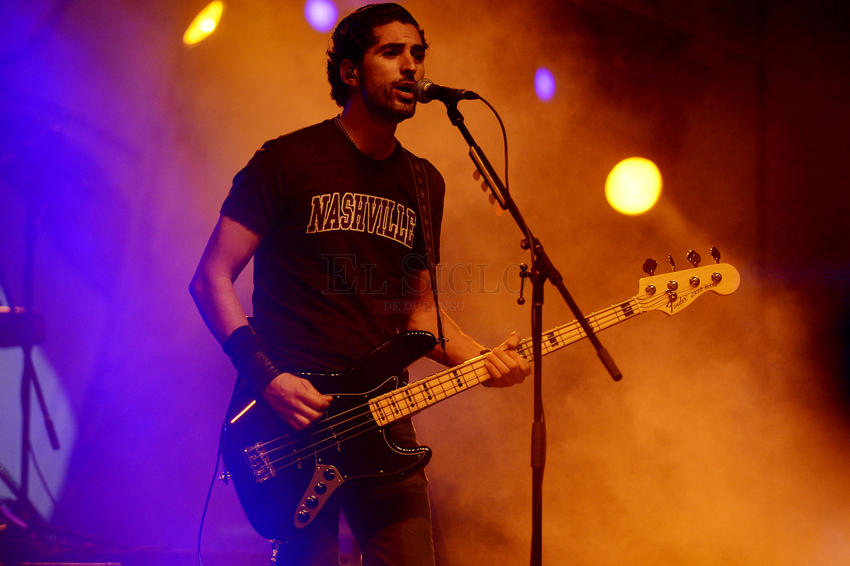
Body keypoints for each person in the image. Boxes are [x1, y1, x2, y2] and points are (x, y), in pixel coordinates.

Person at [189, 3, 529, 565]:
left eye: (417, 53)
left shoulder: (423, 182)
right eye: (391, 52)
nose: (411, 66)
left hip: (384, 417)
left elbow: (420, 316)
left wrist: (486, 360)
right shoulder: (286, 161)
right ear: (350, 71)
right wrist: (268, 379)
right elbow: (210, 279)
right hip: (293, 418)